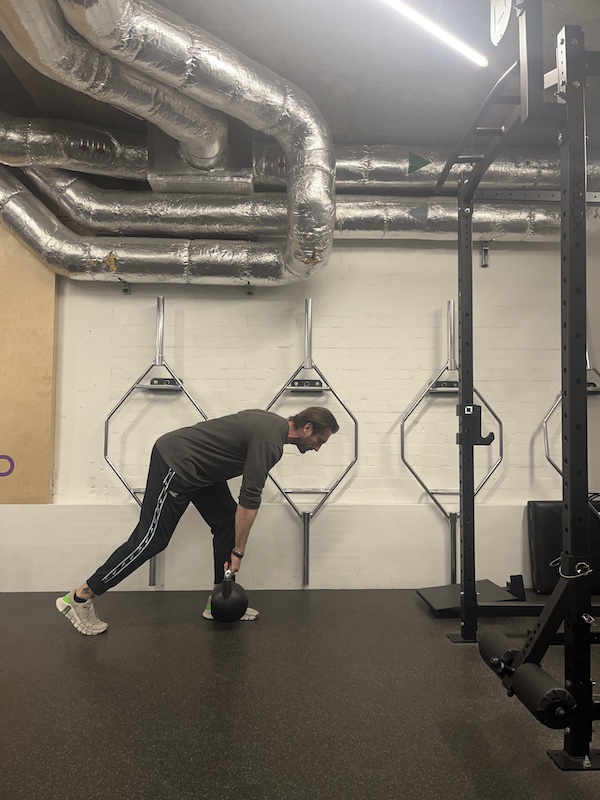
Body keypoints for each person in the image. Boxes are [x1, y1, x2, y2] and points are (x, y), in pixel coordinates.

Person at [56, 406, 339, 635]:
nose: (317, 448)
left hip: (202, 472)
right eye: (319, 441)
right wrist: (238, 552)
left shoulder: (271, 423)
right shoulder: (271, 440)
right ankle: (81, 596)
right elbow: (249, 499)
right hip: (178, 463)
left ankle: (220, 601)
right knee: (152, 539)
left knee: (227, 523)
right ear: (307, 428)